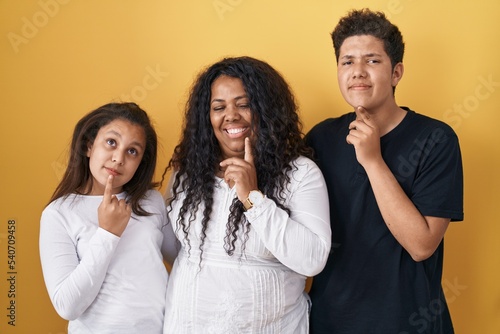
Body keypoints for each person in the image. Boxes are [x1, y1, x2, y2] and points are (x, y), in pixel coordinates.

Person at [306, 8, 464, 334]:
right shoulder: (320, 138)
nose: (358, 71)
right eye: (347, 61)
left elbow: (421, 245)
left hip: (408, 322)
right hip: (330, 322)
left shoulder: (436, 139)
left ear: (396, 73)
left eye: (373, 61)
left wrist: (373, 160)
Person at [161, 56, 331, 333]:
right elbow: (176, 249)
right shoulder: (188, 173)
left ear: (267, 110)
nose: (231, 116)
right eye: (219, 107)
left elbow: (312, 260)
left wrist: (253, 197)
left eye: (244, 104)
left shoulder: (300, 173)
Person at [39, 102, 177, 334]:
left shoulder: (150, 201)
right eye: (111, 142)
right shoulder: (59, 214)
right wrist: (107, 234)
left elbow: (184, 259)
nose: (118, 158)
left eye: (132, 151)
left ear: (140, 162)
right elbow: (67, 306)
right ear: (89, 146)